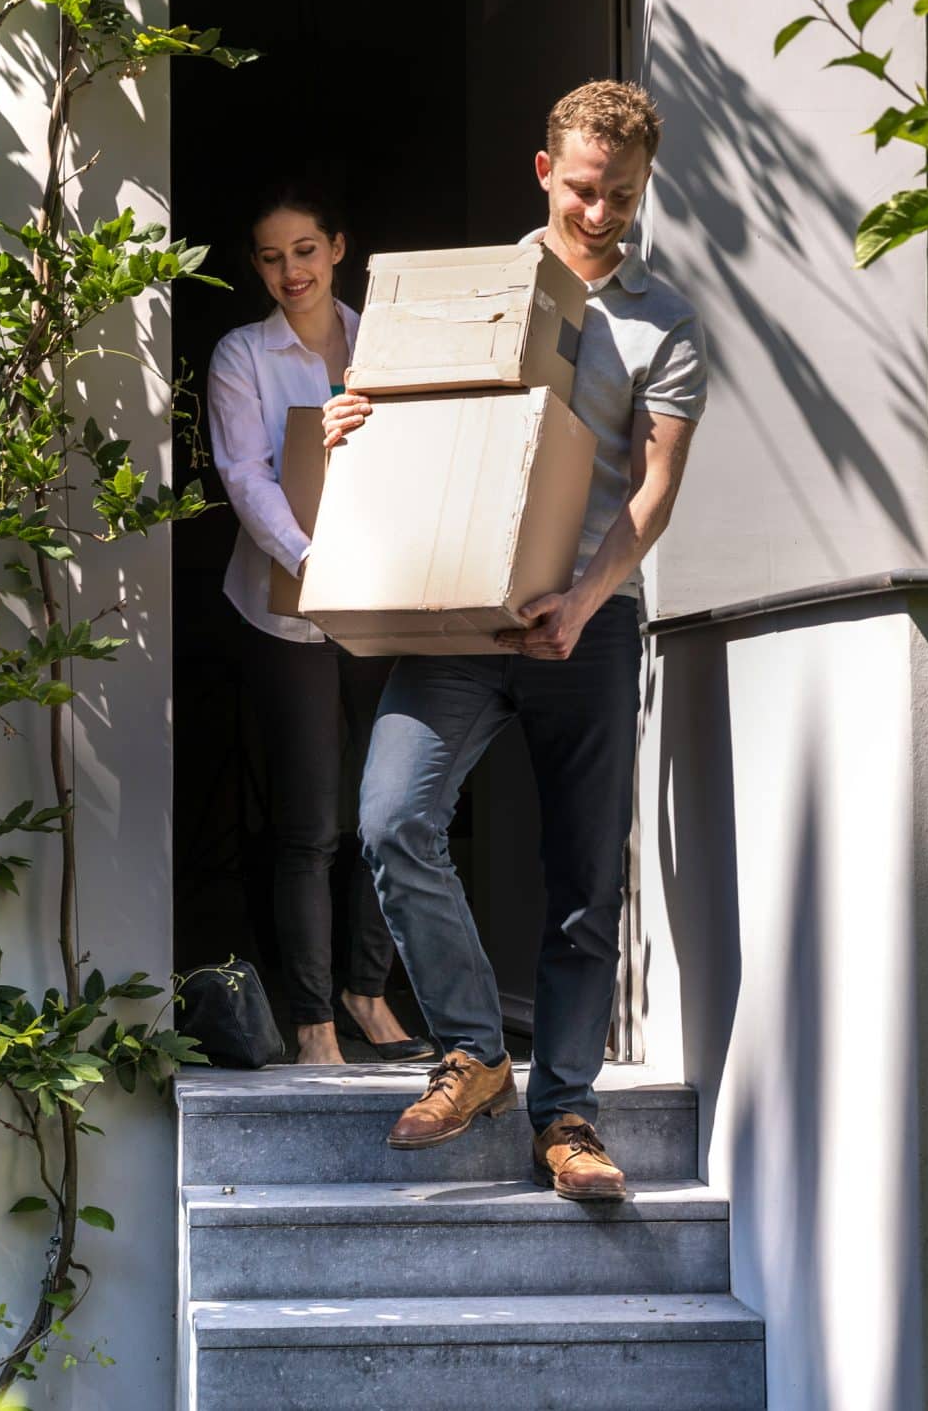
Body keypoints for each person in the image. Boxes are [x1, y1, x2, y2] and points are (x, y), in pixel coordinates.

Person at [320, 81, 704, 1198]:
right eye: (584, 191)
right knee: (393, 816)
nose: (601, 215)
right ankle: (476, 1052)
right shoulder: (470, 293)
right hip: (459, 617)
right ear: (547, 174)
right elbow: (392, 418)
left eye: (622, 197)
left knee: (583, 884)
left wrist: (584, 600)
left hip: (585, 626)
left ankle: (568, 1119)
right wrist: (348, 420)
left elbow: (656, 488)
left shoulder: (663, 321)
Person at [207, 182, 434, 1067]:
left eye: (305, 249)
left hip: (386, 599)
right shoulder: (242, 354)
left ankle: (368, 993)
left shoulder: (389, 341)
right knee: (311, 825)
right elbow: (246, 476)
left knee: (394, 809)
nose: (289, 270)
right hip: (288, 610)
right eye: (271, 256)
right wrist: (314, 562)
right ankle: (313, 1024)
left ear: (338, 247)